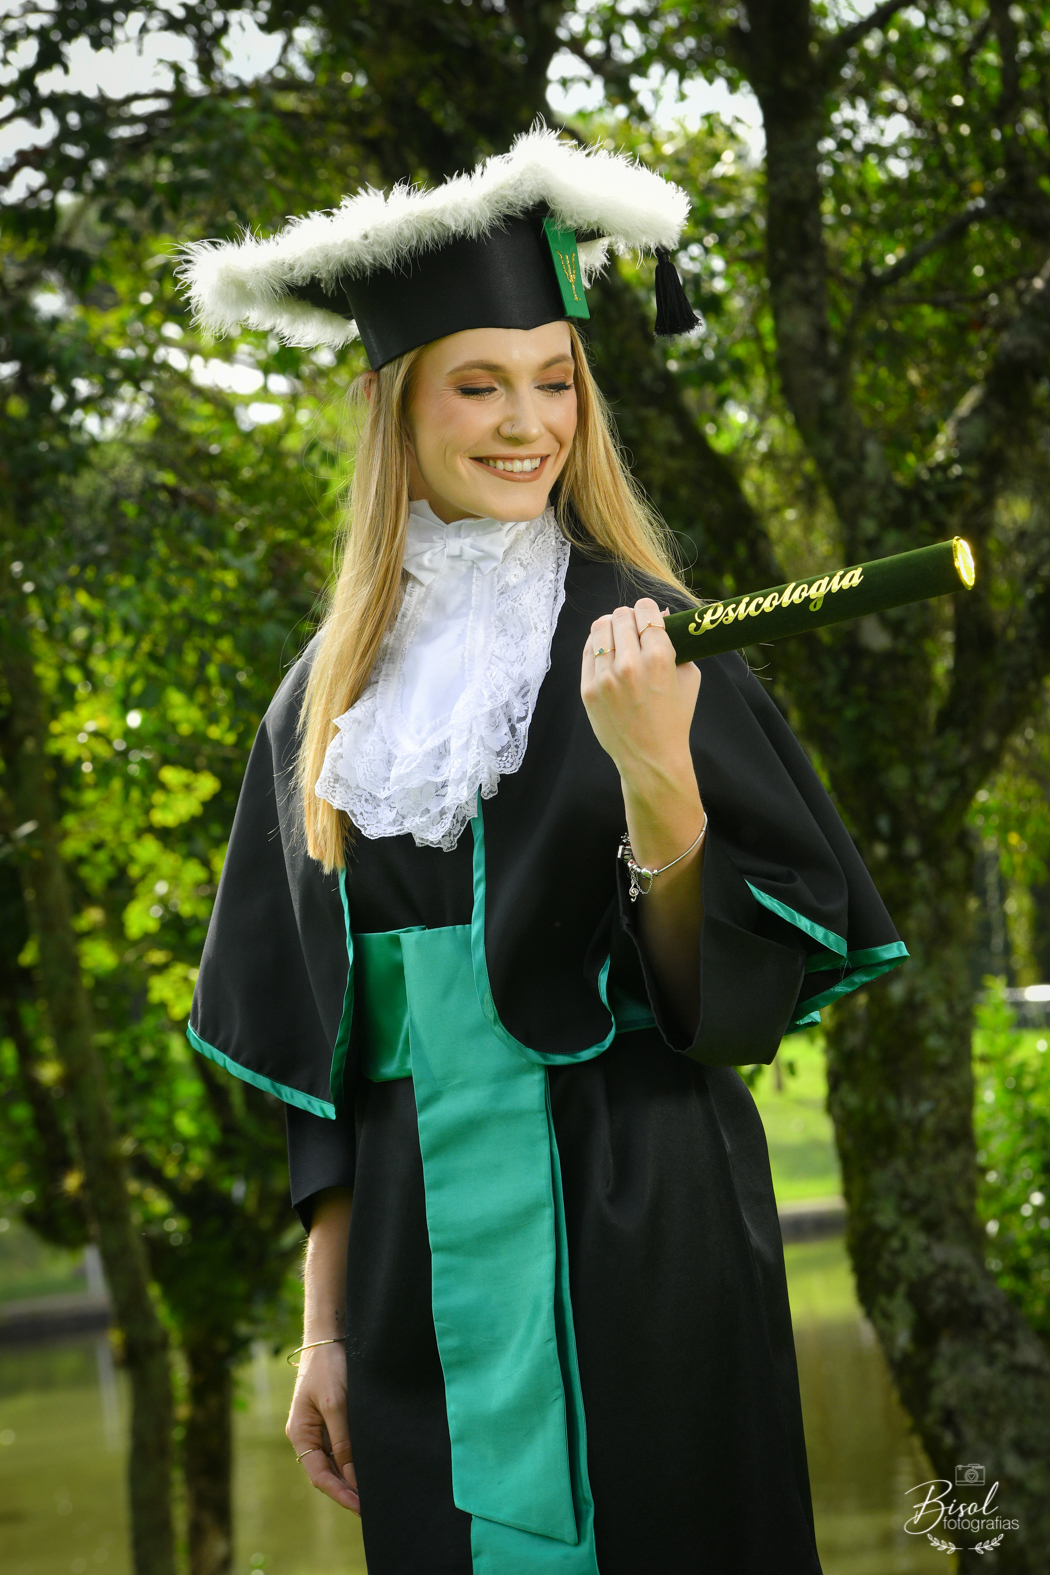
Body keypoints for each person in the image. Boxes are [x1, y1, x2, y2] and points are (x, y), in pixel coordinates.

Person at [180, 127, 907, 1575]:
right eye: (479, 384)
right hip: (407, 1267)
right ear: (395, 405)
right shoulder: (325, 697)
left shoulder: (655, 637)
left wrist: (660, 784)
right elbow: (330, 1058)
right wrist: (323, 1332)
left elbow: (730, 1012)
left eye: (555, 381)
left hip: (637, 1224)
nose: (527, 422)